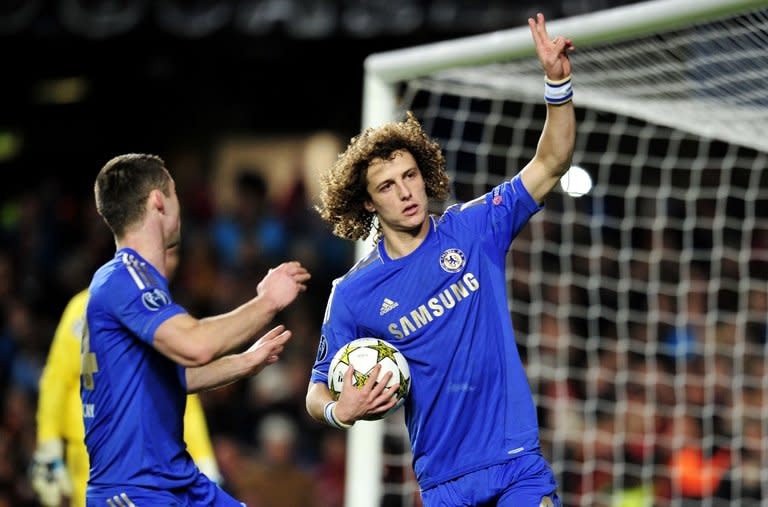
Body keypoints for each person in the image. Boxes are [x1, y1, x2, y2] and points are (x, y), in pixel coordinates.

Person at [306, 13, 574, 506]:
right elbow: (316, 391)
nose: (406, 192)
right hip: (443, 484)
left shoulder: (474, 228)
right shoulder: (352, 294)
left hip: (516, 463)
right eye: (387, 186)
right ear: (368, 203)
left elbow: (552, 161)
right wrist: (340, 413)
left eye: (410, 176)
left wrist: (557, 83)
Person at [82, 153, 310, 506]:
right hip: (135, 491)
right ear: (158, 201)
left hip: (178, 483)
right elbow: (196, 345)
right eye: (174, 192)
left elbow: (175, 377)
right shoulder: (124, 278)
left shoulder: (137, 284)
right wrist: (266, 301)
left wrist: (245, 362)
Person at [30, 245, 223, 507]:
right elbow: (57, 379)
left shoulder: (167, 315)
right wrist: (48, 445)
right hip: (95, 455)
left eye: (174, 254)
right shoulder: (84, 309)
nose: (169, 262)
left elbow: (183, 396)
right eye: (165, 252)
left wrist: (204, 458)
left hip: (155, 460)